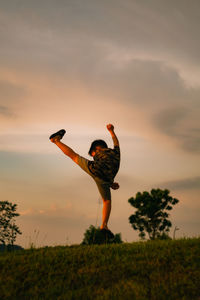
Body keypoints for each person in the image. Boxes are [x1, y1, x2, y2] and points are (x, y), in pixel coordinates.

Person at [49, 124, 120, 232]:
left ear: (96, 149)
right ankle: (104, 225)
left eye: (92, 154)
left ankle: (56, 140)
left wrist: (111, 131)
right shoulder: (116, 153)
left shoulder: (100, 153)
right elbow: (115, 142)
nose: (93, 157)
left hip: (96, 170)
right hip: (106, 178)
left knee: (74, 156)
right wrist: (111, 131)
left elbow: (103, 165)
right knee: (107, 202)